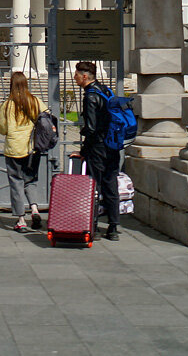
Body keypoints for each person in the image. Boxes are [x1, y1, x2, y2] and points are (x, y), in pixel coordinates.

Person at [0, 71, 48, 233]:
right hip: (32, 148)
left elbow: (1, 128)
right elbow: (46, 118)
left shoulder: (8, 104)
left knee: (16, 183)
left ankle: (21, 220)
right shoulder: (34, 101)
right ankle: (35, 209)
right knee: (31, 180)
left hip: (14, 149)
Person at [74, 60, 121, 241]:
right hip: (113, 145)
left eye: (77, 75)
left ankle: (91, 225)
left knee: (94, 186)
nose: (74, 78)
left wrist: (84, 150)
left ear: (85, 77)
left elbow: (91, 128)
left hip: (98, 148)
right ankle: (114, 227)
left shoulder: (90, 96)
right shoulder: (105, 90)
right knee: (111, 184)